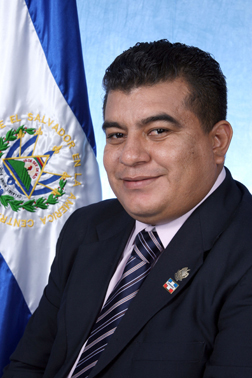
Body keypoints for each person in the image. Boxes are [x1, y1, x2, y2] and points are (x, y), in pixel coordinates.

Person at [3, 40, 252, 378]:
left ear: (217, 141)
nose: (130, 156)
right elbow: (29, 365)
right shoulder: (87, 226)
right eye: (117, 134)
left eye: (158, 131)